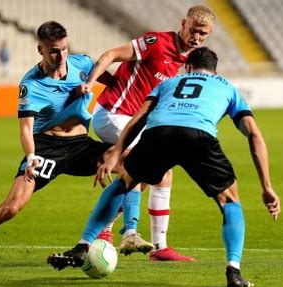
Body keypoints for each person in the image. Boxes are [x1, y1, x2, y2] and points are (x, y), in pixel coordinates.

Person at [47, 47, 281, 287]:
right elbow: (253, 133)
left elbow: (138, 119)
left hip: (159, 133)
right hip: (198, 136)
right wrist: (266, 186)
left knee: (124, 182)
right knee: (230, 201)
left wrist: (115, 152)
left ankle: (83, 245)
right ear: (214, 70)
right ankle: (234, 270)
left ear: (187, 66)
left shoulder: (169, 82)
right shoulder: (227, 87)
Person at [0, 21, 114, 272]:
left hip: (81, 144)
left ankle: (99, 235)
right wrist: (31, 156)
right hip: (46, 148)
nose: (61, 55)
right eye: (54, 50)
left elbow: (115, 82)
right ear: (40, 49)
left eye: (64, 48)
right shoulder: (31, 84)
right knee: (12, 207)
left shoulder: (83, 64)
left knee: (135, 167)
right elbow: (25, 128)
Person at [75, 5, 216, 261]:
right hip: (113, 113)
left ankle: (143, 242)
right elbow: (111, 54)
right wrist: (90, 81)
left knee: (160, 174)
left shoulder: (189, 62)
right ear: (183, 23)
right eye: (193, 30)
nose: (196, 37)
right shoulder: (157, 42)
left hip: (136, 122)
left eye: (203, 34)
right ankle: (133, 235)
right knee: (144, 166)